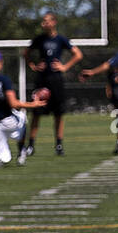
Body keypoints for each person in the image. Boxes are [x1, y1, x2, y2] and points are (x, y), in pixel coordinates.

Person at [22, 12, 83, 160]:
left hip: (56, 80)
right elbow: (26, 53)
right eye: (42, 21)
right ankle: (30, 145)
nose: (43, 24)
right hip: (42, 80)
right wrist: (33, 66)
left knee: (58, 113)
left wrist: (65, 67)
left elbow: (78, 54)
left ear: (53, 22)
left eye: (46, 21)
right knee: (37, 113)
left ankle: (59, 144)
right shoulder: (39, 39)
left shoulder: (61, 39)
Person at [0, 52, 45, 167]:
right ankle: (21, 151)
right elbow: (13, 103)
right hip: (6, 121)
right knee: (22, 117)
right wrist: (33, 104)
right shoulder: (3, 79)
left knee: (1, 158)